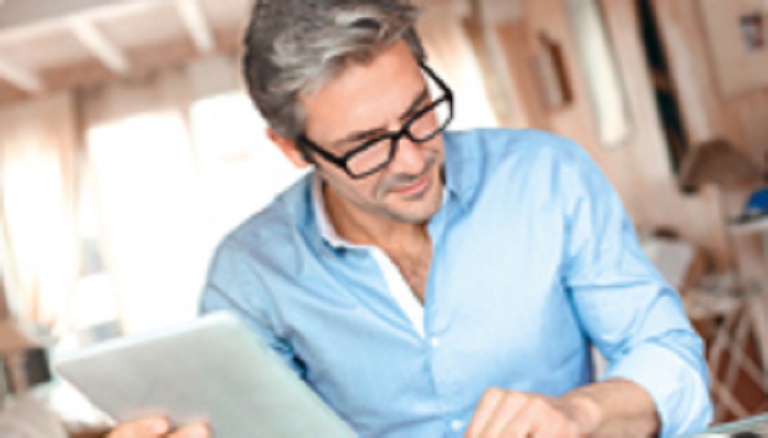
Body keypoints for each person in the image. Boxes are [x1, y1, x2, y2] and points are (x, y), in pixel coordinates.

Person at [109, 0, 712, 436]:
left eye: (419, 110)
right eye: (365, 145)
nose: (412, 159)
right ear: (292, 149)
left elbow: (667, 352)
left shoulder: (547, 177)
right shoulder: (250, 274)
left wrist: (581, 413)